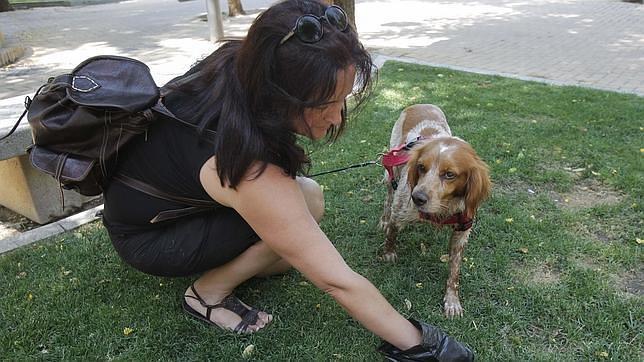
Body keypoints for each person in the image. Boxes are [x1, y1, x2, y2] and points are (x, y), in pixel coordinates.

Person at [102, 0, 473, 360]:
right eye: (324, 105)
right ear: (281, 94)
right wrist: (426, 346)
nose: (335, 118)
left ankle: (235, 262)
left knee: (306, 200)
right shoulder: (245, 163)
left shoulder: (242, 66)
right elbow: (337, 280)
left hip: (166, 206)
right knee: (302, 217)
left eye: (342, 99)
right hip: (150, 236)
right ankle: (207, 294)